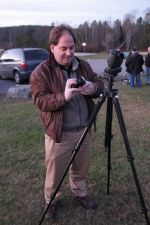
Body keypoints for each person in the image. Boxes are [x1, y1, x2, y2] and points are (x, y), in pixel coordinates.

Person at [30, 24, 104, 221]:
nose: (69, 52)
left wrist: (92, 87)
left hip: (84, 129)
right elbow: (40, 100)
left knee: (81, 168)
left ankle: (80, 193)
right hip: (59, 134)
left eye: (72, 47)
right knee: (55, 173)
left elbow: (100, 83)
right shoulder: (41, 72)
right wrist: (63, 96)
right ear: (52, 47)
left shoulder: (83, 66)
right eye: (63, 48)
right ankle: (51, 200)